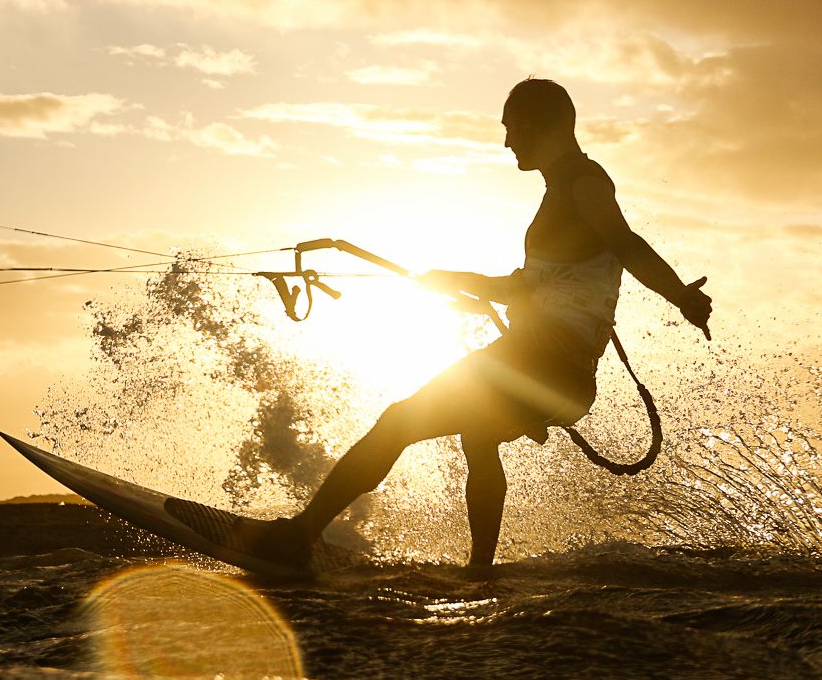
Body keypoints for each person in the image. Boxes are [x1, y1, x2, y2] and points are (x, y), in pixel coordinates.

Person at [250, 78, 712, 570]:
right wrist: (452, 281)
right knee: (476, 429)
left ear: (543, 126)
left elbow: (626, 243)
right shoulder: (563, 190)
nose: (508, 141)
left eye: (514, 128)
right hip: (554, 371)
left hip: (546, 363)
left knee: (401, 421)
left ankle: (300, 537)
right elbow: (527, 287)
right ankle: (480, 571)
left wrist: (680, 294)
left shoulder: (583, 182)